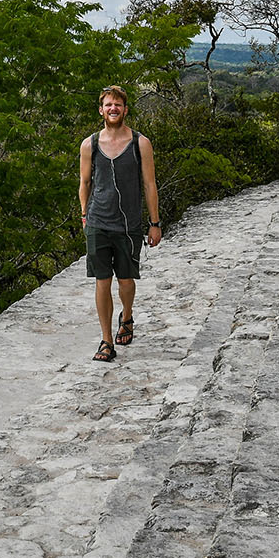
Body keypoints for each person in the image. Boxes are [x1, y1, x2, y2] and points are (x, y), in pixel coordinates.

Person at [79, 85, 161, 362]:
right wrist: (84, 216)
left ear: (125, 110)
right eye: (108, 104)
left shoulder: (140, 143)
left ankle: (127, 317)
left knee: (125, 280)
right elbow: (85, 183)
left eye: (118, 105)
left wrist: (155, 222)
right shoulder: (89, 144)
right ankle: (105, 340)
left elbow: (149, 185)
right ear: (101, 110)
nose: (113, 109)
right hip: (98, 223)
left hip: (128, 225)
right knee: (102, 282)